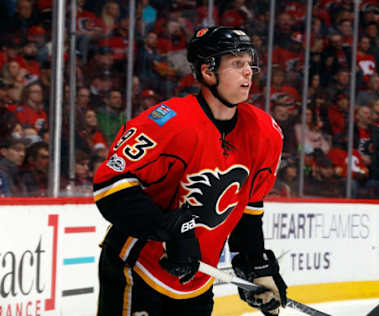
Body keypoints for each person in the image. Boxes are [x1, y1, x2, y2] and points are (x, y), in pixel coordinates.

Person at [93, 26, 287, 316]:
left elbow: (249, 204)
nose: (248, 72)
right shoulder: (168, 122)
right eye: (237, 64)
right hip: (140, 268)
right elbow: (111, 186)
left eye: (249, 63)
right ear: (208, 72)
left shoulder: (265, 132)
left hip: (198, 278)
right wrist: (170, 232)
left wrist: (254, 261)